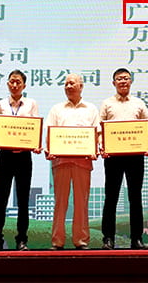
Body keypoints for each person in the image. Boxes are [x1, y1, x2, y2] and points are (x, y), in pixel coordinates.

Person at [0, 70, 40, 251]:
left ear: (24, 85)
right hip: (5, 156)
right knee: (1, 199)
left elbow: (35, 128)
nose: (15, 85)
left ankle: (22, 240)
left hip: (24, 156)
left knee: (23, 200)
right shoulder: (1, 104)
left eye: (18, 82)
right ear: (8, 84)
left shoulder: (31, 104)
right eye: (12, 82)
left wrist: (35, 144)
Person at [99, 68, 148, 250]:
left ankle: (137, 239)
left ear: (131, 81)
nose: (123, 81)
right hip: (113, 157)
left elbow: (146, 127)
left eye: (126, 78)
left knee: (135, 198)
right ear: (113, 83)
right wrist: (102, 146)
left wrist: (147, 145)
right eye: (119, 79)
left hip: (135, 157)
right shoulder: (107, 104)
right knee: (111, 197)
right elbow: (100, 130)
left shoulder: (139, 103)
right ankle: (108, 238)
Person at [47, 73, 99, 250]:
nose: (68, 86)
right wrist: (49, 149)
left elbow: (97, 134)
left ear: (81, 86)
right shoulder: (56, 109)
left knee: (81, 202)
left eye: (72, 83)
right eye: (66, 84)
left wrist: (95, 150)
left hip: (82, 162)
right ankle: (57, 241)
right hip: (61, 161)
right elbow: (50, 133)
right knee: (60, 202)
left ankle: (81, 240)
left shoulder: (91, 109)